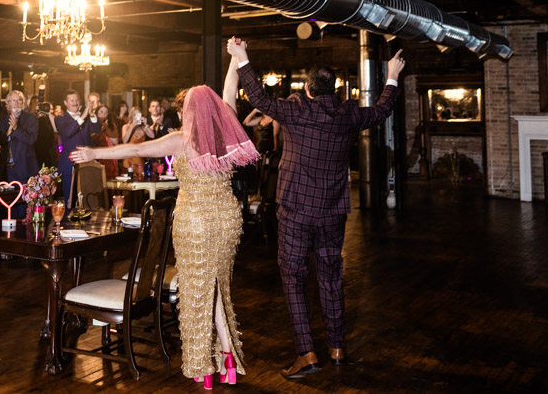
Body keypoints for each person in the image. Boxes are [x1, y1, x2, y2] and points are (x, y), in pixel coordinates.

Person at [228, 37, 405, 379]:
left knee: (294, 278)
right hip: (332, 211)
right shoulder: (348, 114)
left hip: (295, 209)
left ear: (308, 88)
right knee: (331, 276)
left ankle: (307, 353)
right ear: (333, 89)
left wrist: (242, 57)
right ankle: (337, 348)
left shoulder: (296, 111)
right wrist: (392, 76)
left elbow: (258, 98)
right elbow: (382, 110)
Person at [70, 68, 258, 388]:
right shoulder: (223, 135)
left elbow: (134, 150)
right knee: (217, 288)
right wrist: (234, 62)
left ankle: (205, 367)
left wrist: (93, 153)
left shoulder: (180, 140)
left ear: (188, 111)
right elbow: (229, 94)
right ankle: (227, 359)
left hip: (195, 220)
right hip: (227, 218)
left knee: (197, 292)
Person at [0, 90, 38, 219]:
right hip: (7, 169)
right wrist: (8, 131)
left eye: (19, 100)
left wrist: (16, 128)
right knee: (9, 206)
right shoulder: (3, 119)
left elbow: (31, 139)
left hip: (24, 168)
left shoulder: (30, 118)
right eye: (13, 100)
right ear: (7, 104)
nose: (16, 103)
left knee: (23, 207)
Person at [54, 89, 101, 206]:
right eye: (72, 100)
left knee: (90, 198)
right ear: (65, 102)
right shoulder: (60, 118)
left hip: (88, 163)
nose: (75, 102)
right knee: (71, 200)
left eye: (77, 100)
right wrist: (83, 116)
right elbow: (68, 132)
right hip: (70, 164)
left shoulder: (86, 116)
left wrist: (92, 115)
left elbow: (97, 129)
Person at [90, 104, 121, 179]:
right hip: (97, 157)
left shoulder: (111, 124)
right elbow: (91, 140)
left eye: (106, 112)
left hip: (110, 156)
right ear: (96, 113)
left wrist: (107, 129)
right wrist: (102, 129)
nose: (103, 114)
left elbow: (116, 141)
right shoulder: (93, 124)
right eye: (101, 112)